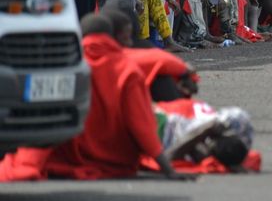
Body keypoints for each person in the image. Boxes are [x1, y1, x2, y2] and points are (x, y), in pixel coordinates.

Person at [0, 12, 190, 181]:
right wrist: (168, 171)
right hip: (116, 159)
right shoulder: (127, 70)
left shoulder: (66, 68)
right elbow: (141, 125)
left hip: (68, 157)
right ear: (114, 36)